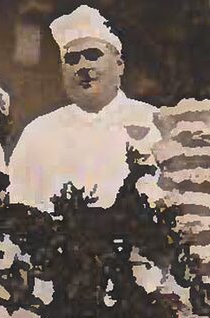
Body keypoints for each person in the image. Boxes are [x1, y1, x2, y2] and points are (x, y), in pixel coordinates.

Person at [8, 4, 160, 210]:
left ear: (119, 65)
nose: (82, 66)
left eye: (92, 55)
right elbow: (19, 207)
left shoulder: (154, 125)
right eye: (72, 59)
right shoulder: (38, 133)